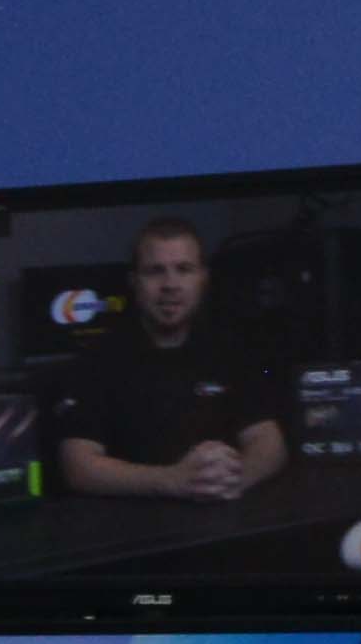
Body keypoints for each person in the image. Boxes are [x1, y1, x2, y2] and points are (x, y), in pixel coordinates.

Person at [53, 214, 287, 507]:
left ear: (203, 279)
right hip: (132, 526)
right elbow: (78, 467)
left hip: (221, 515)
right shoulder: (95, 361)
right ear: (134, 282)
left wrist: (233, 481)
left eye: (184, 269)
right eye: (155, 271)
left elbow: (269, 443)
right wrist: (173, 481)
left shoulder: (231, 351)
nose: (170, 284)